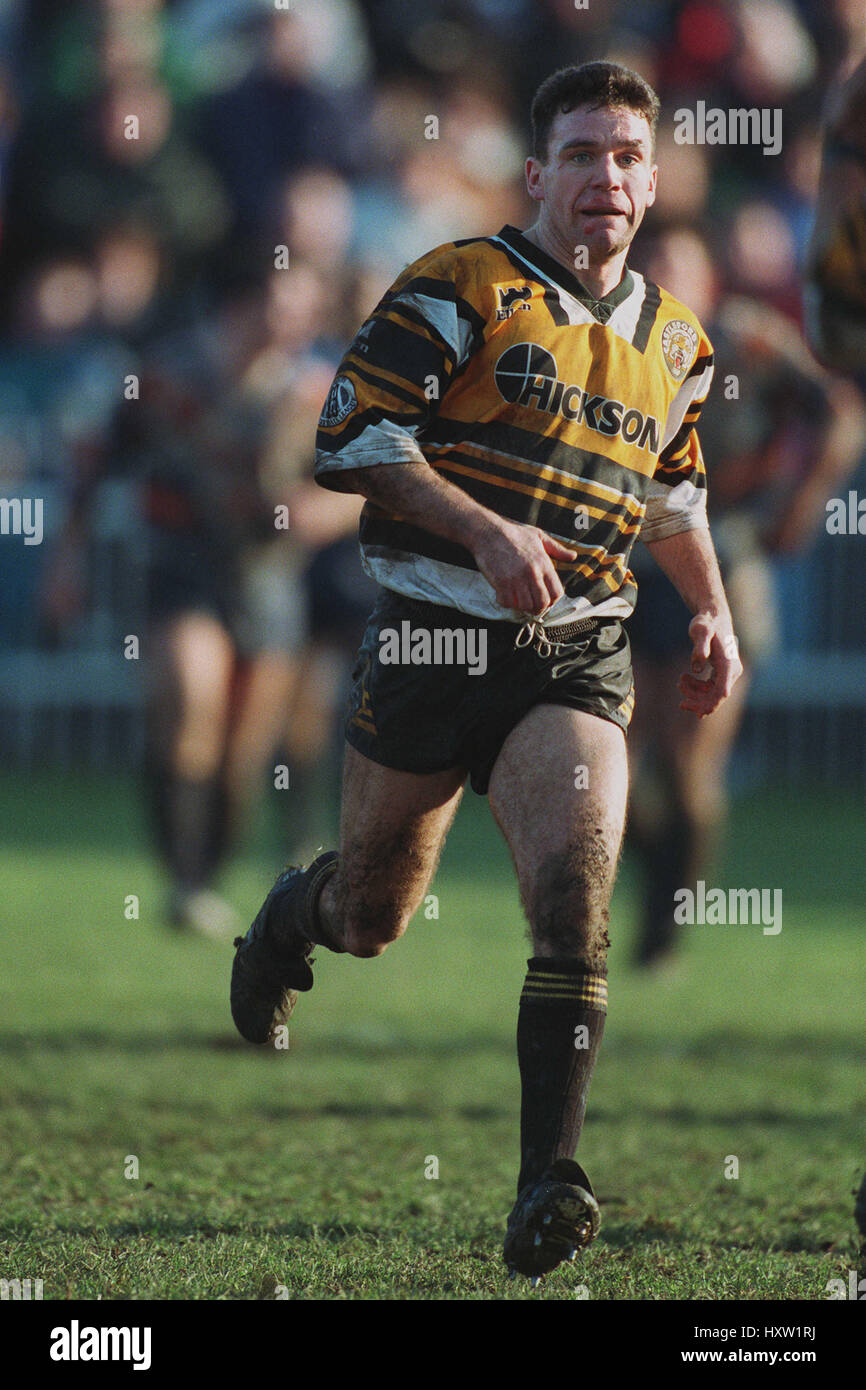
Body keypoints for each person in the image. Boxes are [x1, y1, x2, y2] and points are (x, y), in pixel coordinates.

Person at [229, 61, 743, 1282]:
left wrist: (713, 613)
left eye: (624, 155)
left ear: (651, 179)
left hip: (575, 650)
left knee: (572, 896)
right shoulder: (460, 283)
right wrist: (483, 529)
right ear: (537, 175)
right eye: (579, 154)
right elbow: (350, 436)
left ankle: (545, 1179)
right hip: (428, 637)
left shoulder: (678, 341)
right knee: (370, 917)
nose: (603, 177)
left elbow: (674, 498)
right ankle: (287, 919)